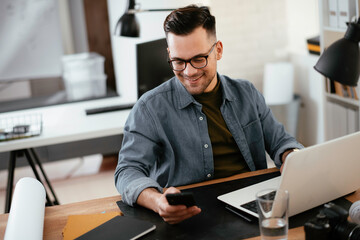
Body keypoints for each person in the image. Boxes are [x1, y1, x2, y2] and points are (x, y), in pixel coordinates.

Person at [114, 5, 303, 224]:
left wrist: (293, 159)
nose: (189, 71)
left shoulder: (247, 93)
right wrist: (157, 201)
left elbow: (281, 142)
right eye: (178, 61)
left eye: (198, 59)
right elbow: (127, 171)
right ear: (169, 54)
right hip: (190, 215)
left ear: (218, 50)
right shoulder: (149, 108)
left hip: (252, 205)